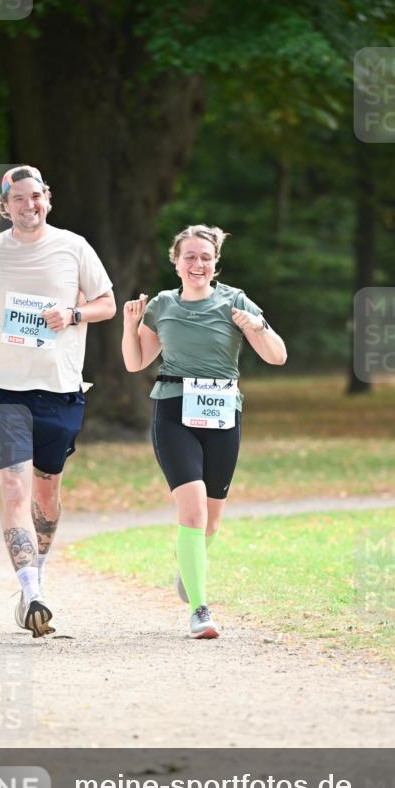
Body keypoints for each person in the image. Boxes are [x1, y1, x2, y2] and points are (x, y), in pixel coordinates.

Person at [0, 165, 115, 637]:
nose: (28, 205)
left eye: (35, 196)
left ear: (48, 197)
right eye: (18, 198)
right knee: (15, 489)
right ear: (6, 206)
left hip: (60, 389)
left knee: (46, 493)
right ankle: (31, 590)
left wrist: (73, 312)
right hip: (0, 387)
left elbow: (106, 300)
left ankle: (33, 582)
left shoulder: (74, 247)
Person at [122, 224, 287, 639]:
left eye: (206, 257)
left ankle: (189, 568)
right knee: (192, 509)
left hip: (222, 413)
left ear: (216, 263)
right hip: (174, 408)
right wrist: (130, 324)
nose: (198, 264)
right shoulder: (162, 305)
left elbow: (277, 356)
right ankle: (200, 608)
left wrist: (255, 326)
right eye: (190, 257)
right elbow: (136, 361)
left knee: (211, 521)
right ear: (175, 262)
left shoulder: (235, 301)